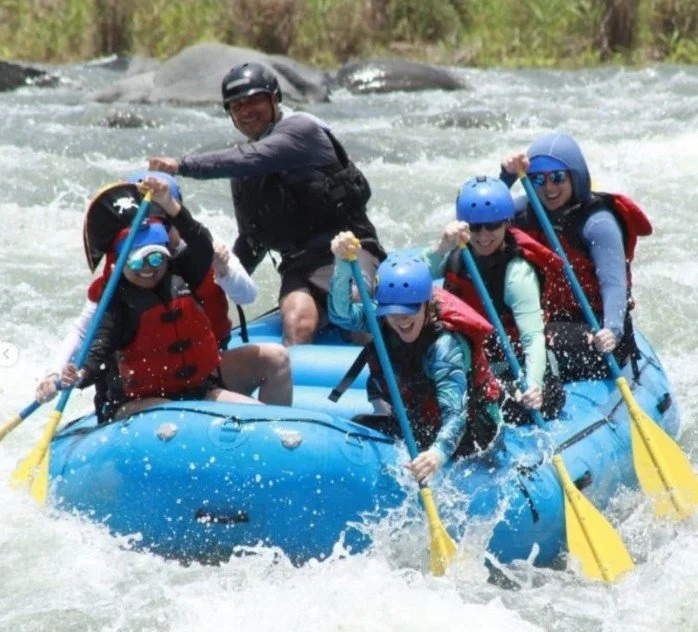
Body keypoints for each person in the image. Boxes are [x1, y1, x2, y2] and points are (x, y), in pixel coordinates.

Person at [148, 62, 386, 345]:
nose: (246, 111)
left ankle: (385, 378)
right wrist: (215, 285)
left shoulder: (302, 131)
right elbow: (252, 240)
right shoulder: (243, 173)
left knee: (353, 306)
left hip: (349, 250)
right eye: (236, 106)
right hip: (300, 265)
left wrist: (181, 165)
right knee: (297, 322)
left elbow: (255, 157)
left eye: (254, 101)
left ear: (275, 99)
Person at [57, 176, 292, 420]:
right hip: (137, 400)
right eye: (138, 261)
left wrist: (171, 205)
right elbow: (95, 349)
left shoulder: (183, 272)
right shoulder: (115, 303)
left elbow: (201, 242)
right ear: (121, 262)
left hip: (197, 387)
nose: (148, 268)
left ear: (167, 256)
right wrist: (77, 374)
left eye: (156, 258)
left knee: (260, 418)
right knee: (172, 415)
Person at [328, 233, 502, 482]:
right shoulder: (381, 319)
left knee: (454, 445)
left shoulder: (444, 347)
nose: (401, 319)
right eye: (393, 311)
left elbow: (455, 414)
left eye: (410, 309)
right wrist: (343, 264)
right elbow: (341, 315)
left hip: (471, 425)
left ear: (426, 305)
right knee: (358, 426)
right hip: (420, 416)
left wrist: (437, 454)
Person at [499, 133, 652, 380]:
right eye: (538, 179)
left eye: (558, 177)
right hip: (549, 320)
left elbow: (613, 284)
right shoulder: (527, 210)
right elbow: (484, 222)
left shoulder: (598, 223)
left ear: (575, 176)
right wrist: (506, 177)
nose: (549, 188)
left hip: (598, 329)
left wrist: (612, 330)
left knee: (537, 343)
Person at [422, 176, 566, 424]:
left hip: (515, 365)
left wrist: (533, 386)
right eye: (475, 227)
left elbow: (533, 337)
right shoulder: (456, 255)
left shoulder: (517, 273)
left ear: (506, 224)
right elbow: (415, 280)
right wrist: (441, 248)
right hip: (475, 364)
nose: (483, 235)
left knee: (486, 407)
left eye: (493, 226)